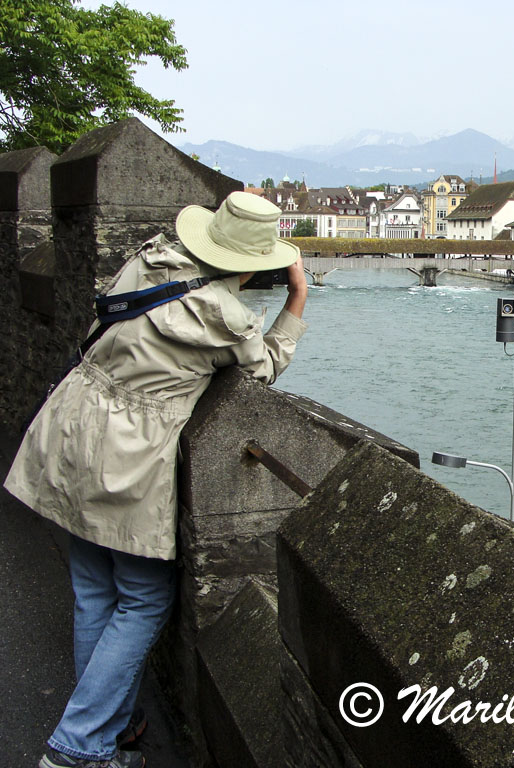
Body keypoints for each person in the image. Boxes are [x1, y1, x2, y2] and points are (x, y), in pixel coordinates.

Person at [4, 191, 309, 768]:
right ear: (256, 261)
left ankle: (106, 734)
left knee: (94, 587)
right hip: (128, 454)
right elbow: (264, 368)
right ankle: (75, 748)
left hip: (73, 425)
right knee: (144, 597)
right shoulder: (226, 319)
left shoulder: (149, 261)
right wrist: (297, 297)